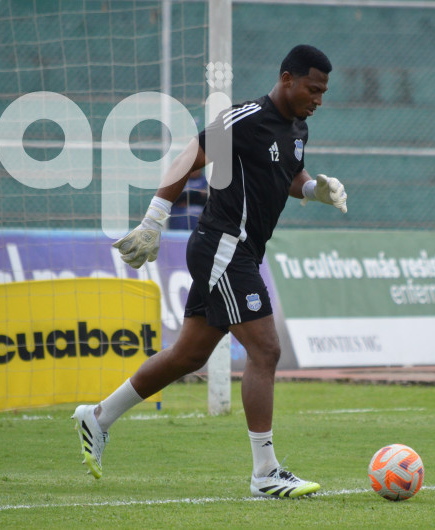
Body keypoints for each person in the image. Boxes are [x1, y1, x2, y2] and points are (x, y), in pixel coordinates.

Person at [72, 45, 347, 498]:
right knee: (267, 350)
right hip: (225, 247)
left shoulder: (298, 127)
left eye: (323, 92)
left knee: (188, 356)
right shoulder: (247, 118)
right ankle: (265, 473)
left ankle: (98, 416)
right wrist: (154, 220)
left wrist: (316, 189)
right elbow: (191, 154)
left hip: (240, 251)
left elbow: (289, 173)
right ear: (287, 79)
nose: (317, 99)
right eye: (312, 89)